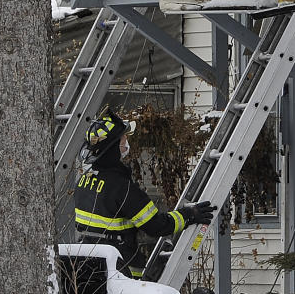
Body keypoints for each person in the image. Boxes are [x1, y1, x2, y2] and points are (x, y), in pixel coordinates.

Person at [73, 110, 215, 278]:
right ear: (112, 147)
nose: (127, 143)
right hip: (121, 271)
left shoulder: (83, 181)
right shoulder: (122, 188)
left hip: (87, 266)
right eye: (124, 139)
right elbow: (155, 225)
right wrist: (188, 214)